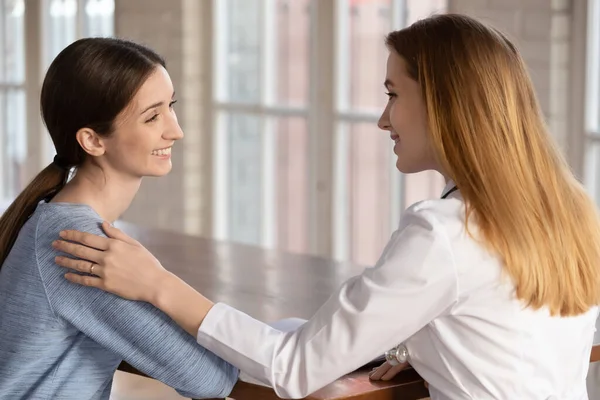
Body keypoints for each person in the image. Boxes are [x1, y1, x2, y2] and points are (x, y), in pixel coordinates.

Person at [53, 14, 600, 399]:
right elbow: (512, 327)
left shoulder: (444, 233)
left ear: (443, 103)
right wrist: (419, 344)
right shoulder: (570, 207)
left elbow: (292, 370)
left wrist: (158, 284)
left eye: (392, 93)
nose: (383, 120)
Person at [0, 38, 238, 399]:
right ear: (93, 141)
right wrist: (159, 282)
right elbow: (210, 380)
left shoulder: (55, 221)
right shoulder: (78, 246)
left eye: (170, 106)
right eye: (152, 116)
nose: (175, 130)